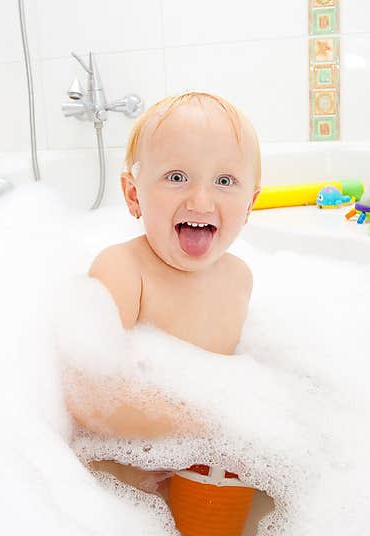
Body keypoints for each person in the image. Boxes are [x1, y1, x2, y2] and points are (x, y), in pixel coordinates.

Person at [66, 91, 262, 495]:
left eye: (225, 181)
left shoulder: (240, 278)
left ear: (250, 204)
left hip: (204, 470)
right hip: (129, 479)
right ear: (134, 194)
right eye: (177, 177)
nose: (201, 200)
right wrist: (213, 419)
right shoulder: (124, 271)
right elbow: (85, 394)